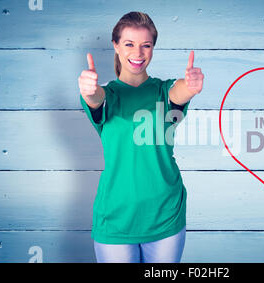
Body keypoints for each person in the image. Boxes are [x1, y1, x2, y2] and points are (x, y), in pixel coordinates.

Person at [78, 11, 204, 263]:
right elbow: (95, 99)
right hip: (115, 218)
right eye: (129, 44)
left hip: (165, 215)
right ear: (115, 45)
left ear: (153, 48)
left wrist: (190, 87)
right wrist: (88, 90)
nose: (138, 53)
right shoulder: (108, 95)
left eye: (146, 45)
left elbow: (179, 92)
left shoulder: (163, 91)